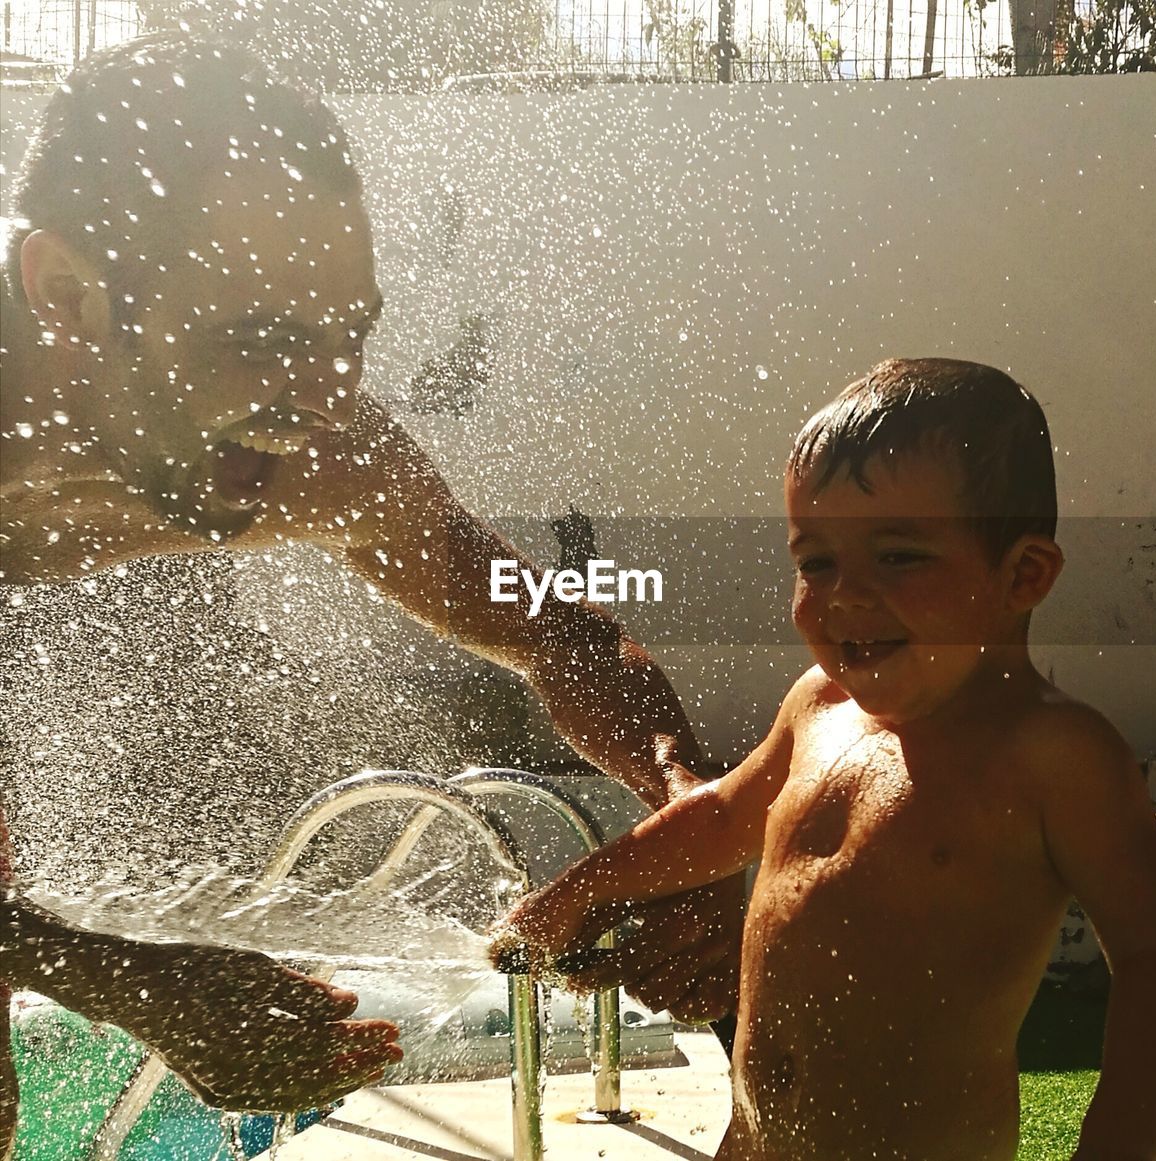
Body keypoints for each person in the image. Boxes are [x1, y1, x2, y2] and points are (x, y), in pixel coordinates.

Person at [0, 32, 737, 1154]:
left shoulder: (328, 462)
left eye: (351, 338)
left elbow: (553, 634)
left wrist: (690, 805)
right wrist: (128, 983)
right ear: (65, 293)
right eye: (264, 341)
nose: (328, 405)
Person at [496, 358, 1156, 1160]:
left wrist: (1121, 1139)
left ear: (1023, 574)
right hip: (755, 1142)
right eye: (816, 561)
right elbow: (724, 815)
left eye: (899, 555)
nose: (844, 595)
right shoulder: (819, 703)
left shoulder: (1050, 753)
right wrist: (578, 891)